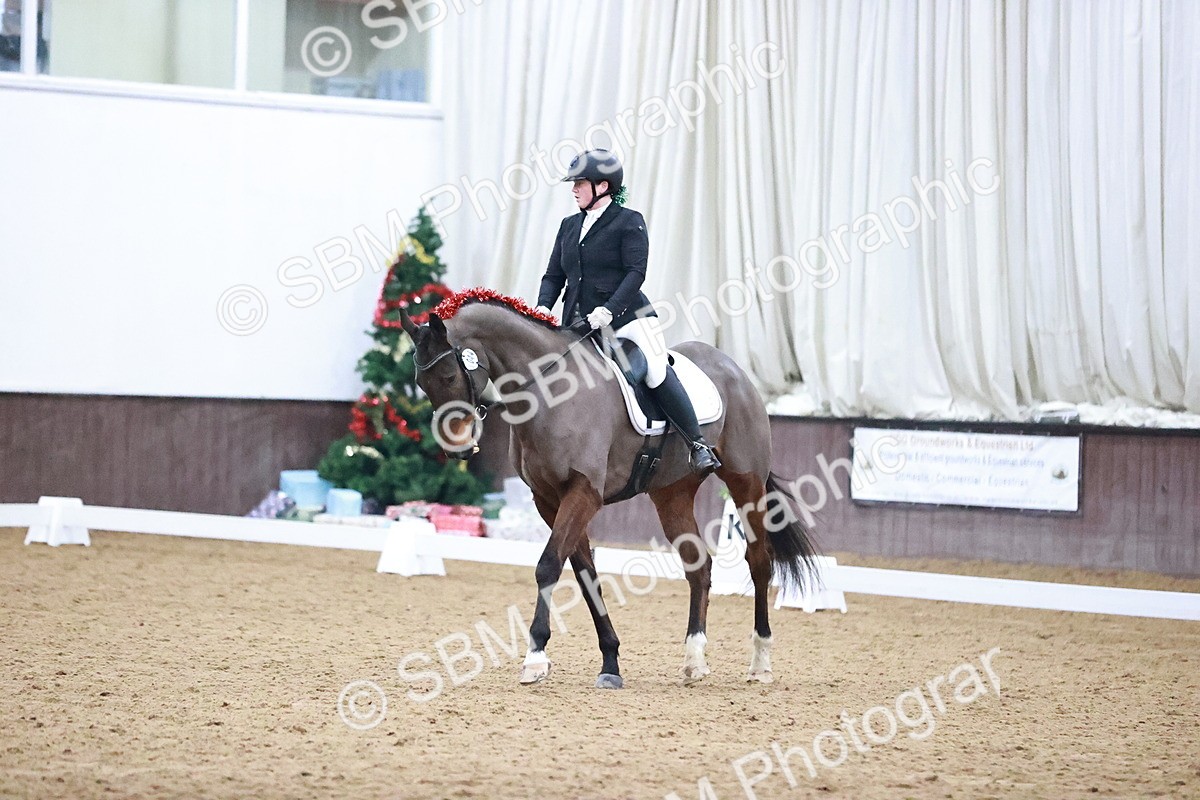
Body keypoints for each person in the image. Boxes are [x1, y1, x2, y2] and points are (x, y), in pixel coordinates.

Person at [535, 149, 721, 475]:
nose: (574, 189)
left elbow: (636, 273)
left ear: (603, 186)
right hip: (578, 325)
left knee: (654, 369)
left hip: (628, 320)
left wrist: (609, 310)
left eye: (580, 183)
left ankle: (697, 443)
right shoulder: (568, 226)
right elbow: (553, 276)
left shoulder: (628, 221)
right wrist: (542, 307)